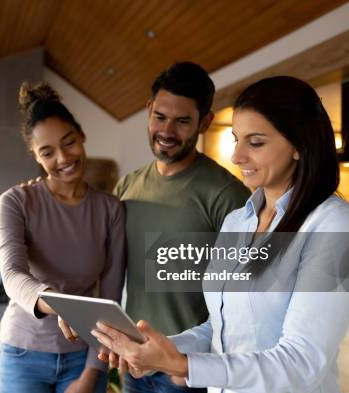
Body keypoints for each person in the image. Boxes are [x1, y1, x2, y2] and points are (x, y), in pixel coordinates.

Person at [91, 76, 349, 393]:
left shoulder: (338, 228)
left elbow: (301, 362)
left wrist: (181, 365)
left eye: (255, 142)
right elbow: (220, 328)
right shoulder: (238, 222)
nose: (238, 156)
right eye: (236, 140)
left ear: (300, 145)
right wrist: (156, 347)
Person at [112, 62, 250, 392]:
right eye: (160, 116)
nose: (167, 131)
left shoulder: (227, 195)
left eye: (182, 121)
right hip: (136, 362)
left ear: (205, 122)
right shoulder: (127, 186)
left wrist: (192, 362)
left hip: (188, 369)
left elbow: (245, 296)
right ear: (148, 110)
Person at [0, 82, 126, 393]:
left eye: (69, 142)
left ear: (82, 135)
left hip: (84, 357)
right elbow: (12, 276)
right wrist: (62, 304)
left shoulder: (111, 210)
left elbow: (110, 297)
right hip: (22, 354)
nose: (63, 158)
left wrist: (91, 373)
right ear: (36, 156)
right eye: (47, 152)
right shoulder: (15, 202)